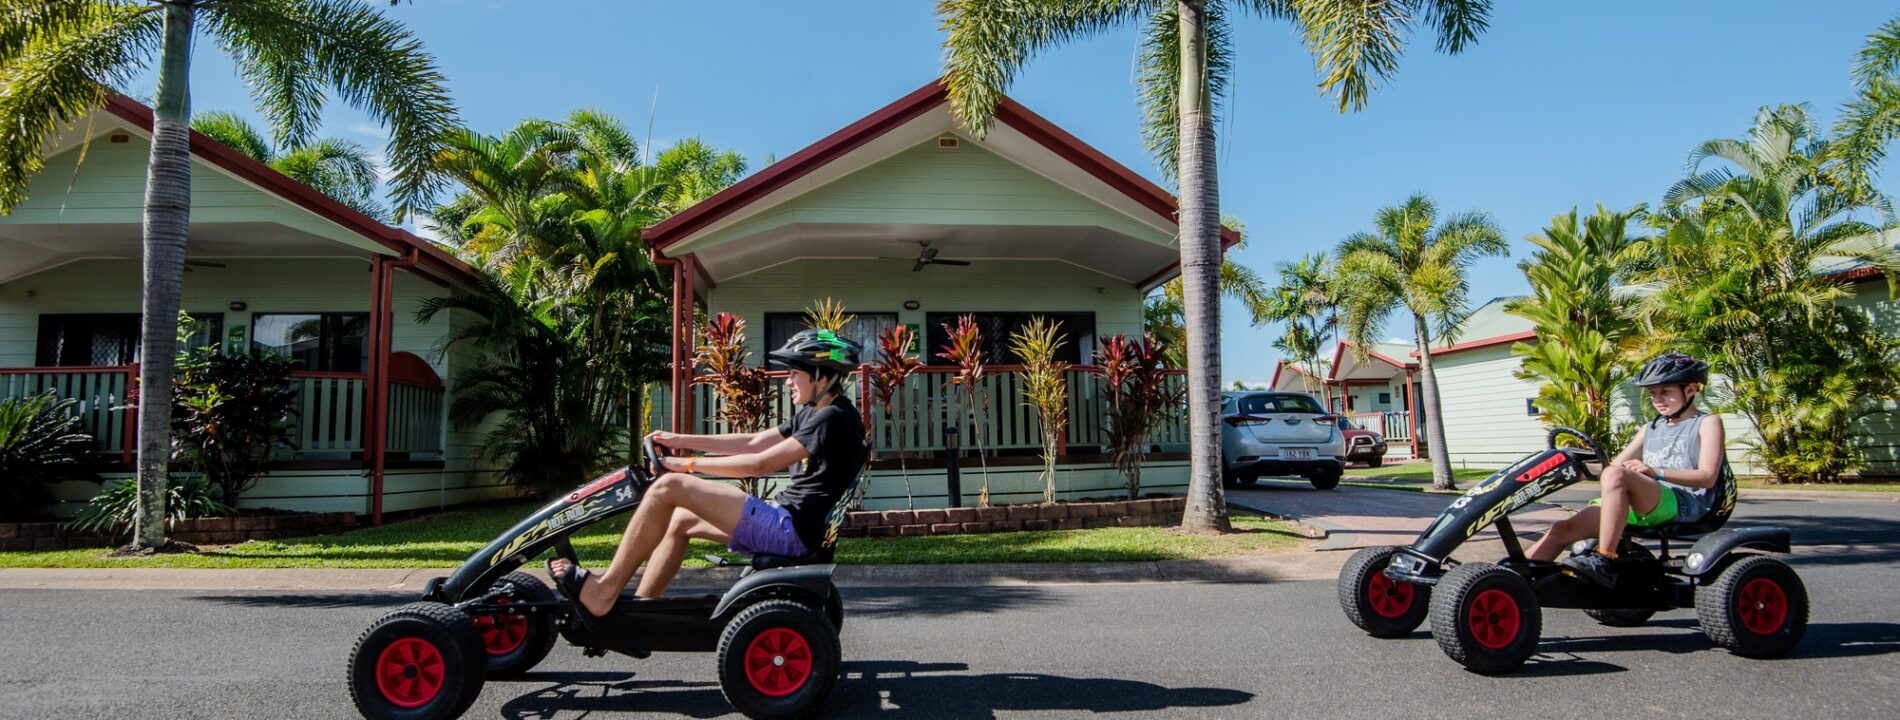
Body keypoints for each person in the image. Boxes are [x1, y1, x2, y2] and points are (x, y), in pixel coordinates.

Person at [548, 329, 867, 618]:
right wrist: (681, 440)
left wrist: (683, 466)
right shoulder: (819, 412)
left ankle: (603, 591)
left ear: (821, 378)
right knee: (681, 521)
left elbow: (760, 464)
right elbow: (753, 442)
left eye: (795, 374)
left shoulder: (832, 420)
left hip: (788, 530)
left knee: (668, 487)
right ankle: (642, 615)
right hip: (788, 523)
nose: (787, 381)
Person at [1524, 353, 1726, 587]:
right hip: (1647, 501)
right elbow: (1612, 468)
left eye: (1666, 392)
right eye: (1653, 394)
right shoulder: (1650, 428)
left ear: (1690, 389)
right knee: (1562, 529)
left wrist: (1654, 471)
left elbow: (1708, 477)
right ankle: (1511, 584)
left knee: (1616, 475)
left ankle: (1604, 559)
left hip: (1686, 503)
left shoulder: (1707, 423)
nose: (1658, 400)